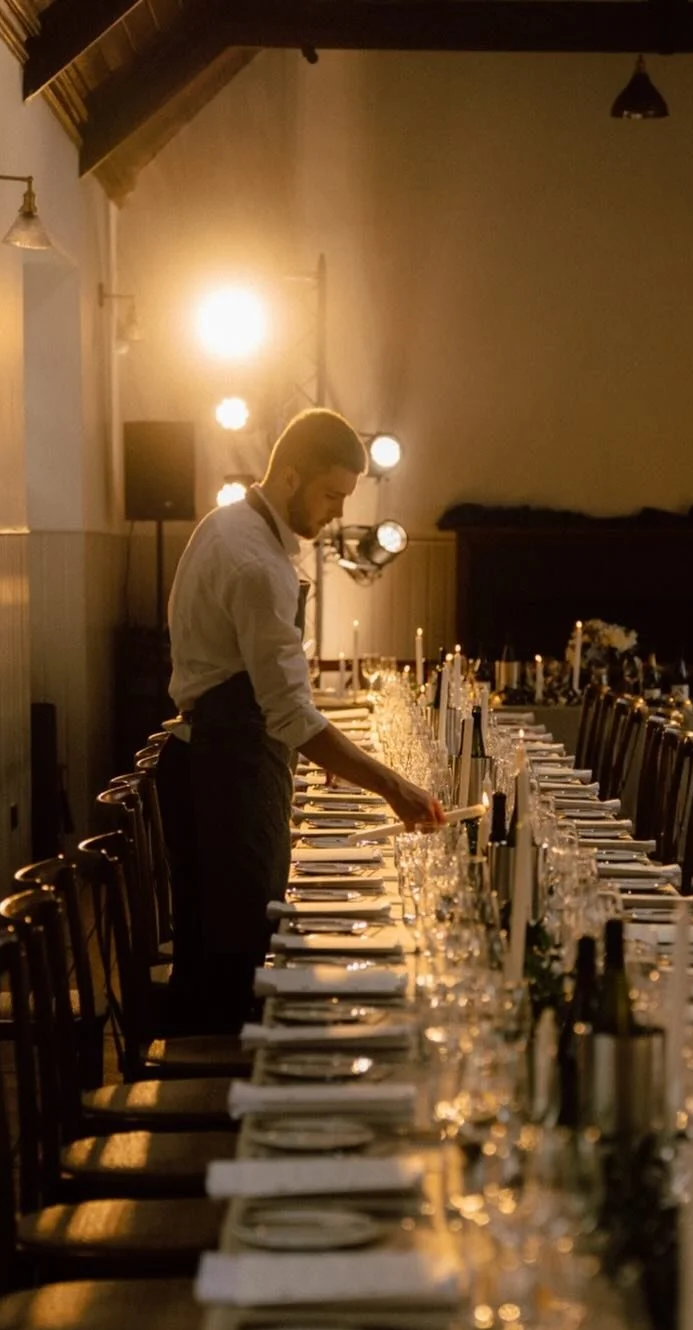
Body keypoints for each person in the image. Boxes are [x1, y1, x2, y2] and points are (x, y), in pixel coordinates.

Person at [166, 408, 443, 1032]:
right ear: (289, 476)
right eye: (330, 494)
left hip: (223, 750)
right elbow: (290, 715)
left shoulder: (234, 525)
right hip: (232, 766)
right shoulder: (256, 564)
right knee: (241, 959)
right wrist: (394, 787)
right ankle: (238, 1105)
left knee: (230, 946)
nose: (338, 513)